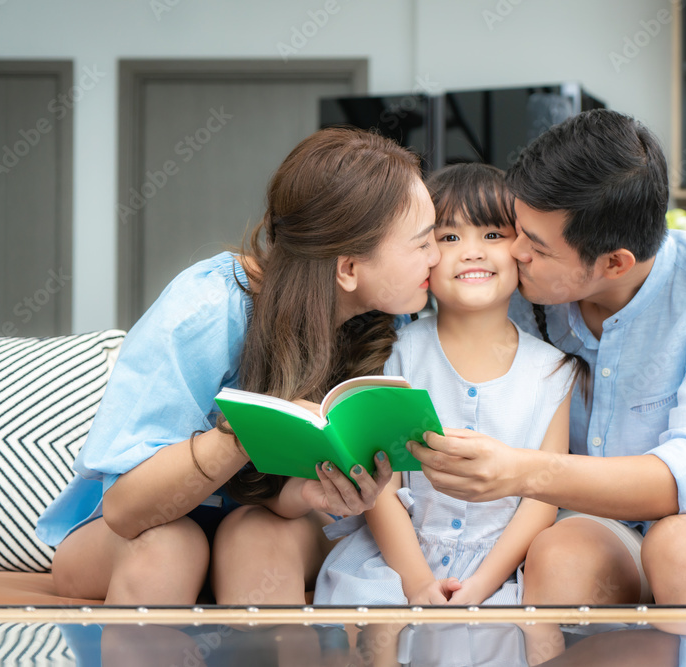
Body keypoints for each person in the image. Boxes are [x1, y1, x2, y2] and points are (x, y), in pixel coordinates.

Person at [407, 109, 686, 607]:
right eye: (515, 229)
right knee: (563, 554)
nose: (513, 252)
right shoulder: (515, 291)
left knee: (683, 548)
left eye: (537, 247)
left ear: (614, 263)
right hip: (609, 535)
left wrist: (521, 471)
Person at [35, 127, 441, 604]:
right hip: (135, 531)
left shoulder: (393, 315)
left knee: (256, 538)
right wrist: (247, 432)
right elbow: (126, 511)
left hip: (261, 522)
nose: (438, 256)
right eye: (423, 243)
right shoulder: (210, 307)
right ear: (348, 268)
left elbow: (277, 500)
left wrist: (316, 495)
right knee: (172, 547)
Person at [314, 163, 576, 606]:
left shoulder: (553, 371)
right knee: (376, 624)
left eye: (492, 235)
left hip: (501, 574)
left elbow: (542, 497)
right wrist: (416, 582)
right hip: (397, 565)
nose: (472, 252)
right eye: (449, 238)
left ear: (523, 249)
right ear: (424, 257)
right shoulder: (397, 353)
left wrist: (484, 584)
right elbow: (382, 487)